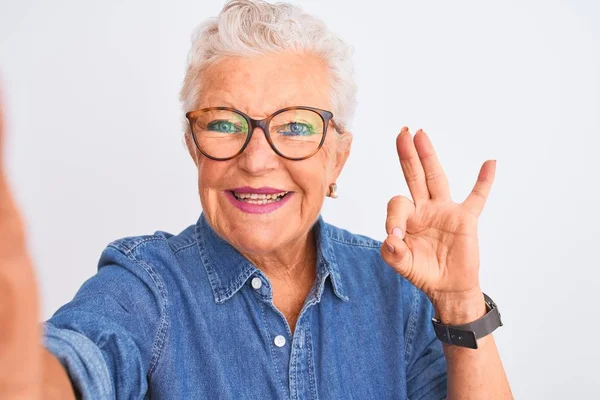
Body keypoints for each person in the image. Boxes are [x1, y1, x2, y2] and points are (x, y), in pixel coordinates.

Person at [0, 0, 513, 398]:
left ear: (337, 158)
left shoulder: (393, 287)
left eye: (294, 126)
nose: (257, 160)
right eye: (224, 123)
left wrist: (459, 303)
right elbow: (75, 361)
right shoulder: (145, 289)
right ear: (193, 147)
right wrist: (18, 365)